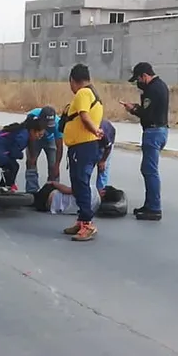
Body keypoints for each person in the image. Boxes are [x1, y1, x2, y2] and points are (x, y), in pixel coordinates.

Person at [60, 63, 105, 242]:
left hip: (84, 147)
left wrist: (95, 130)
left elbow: (84, 116)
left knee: (81, 184)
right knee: (78, 184)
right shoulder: (91, 93)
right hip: (83, 147)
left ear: (73, 80)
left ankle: (87, 223)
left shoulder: (83, 93)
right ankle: (81, 220)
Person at [122, 62, 170, 221]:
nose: (138, 83)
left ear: (145, 76)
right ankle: (149, 204)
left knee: (150, 171)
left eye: (139, 79)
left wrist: (133, 109)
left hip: (153, 132)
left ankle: (154, 208)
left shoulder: (152, 89)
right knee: (148, 170)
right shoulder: (161, 86)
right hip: (160, 130)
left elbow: (147, 115)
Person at [0, 115, 48, 191]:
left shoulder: (24, 132)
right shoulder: (23, 137)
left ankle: (3, 188)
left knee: (11, 167)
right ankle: (6, 188)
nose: (39, 137)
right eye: (39, 135)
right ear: (32, 131)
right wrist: (21, 155)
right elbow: (13, 152)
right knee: (13, 167)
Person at [23, 105, 62, 193]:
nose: (48, 128)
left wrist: (57, 164)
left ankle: (51, 192)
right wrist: (32, 156)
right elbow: (29, 136)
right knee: (30, 162)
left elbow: (59, 145)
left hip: (51, 140)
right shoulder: (32, 116)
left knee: (53, 167)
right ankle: (32, 190)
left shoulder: (57, 123)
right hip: (35, 139)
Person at [96, 118, 116, 191]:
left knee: (102, 169)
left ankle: (101, 192)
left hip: (106, 145)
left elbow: (108, 147)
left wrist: (103, 161)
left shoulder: (103, 132)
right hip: (94, 143)